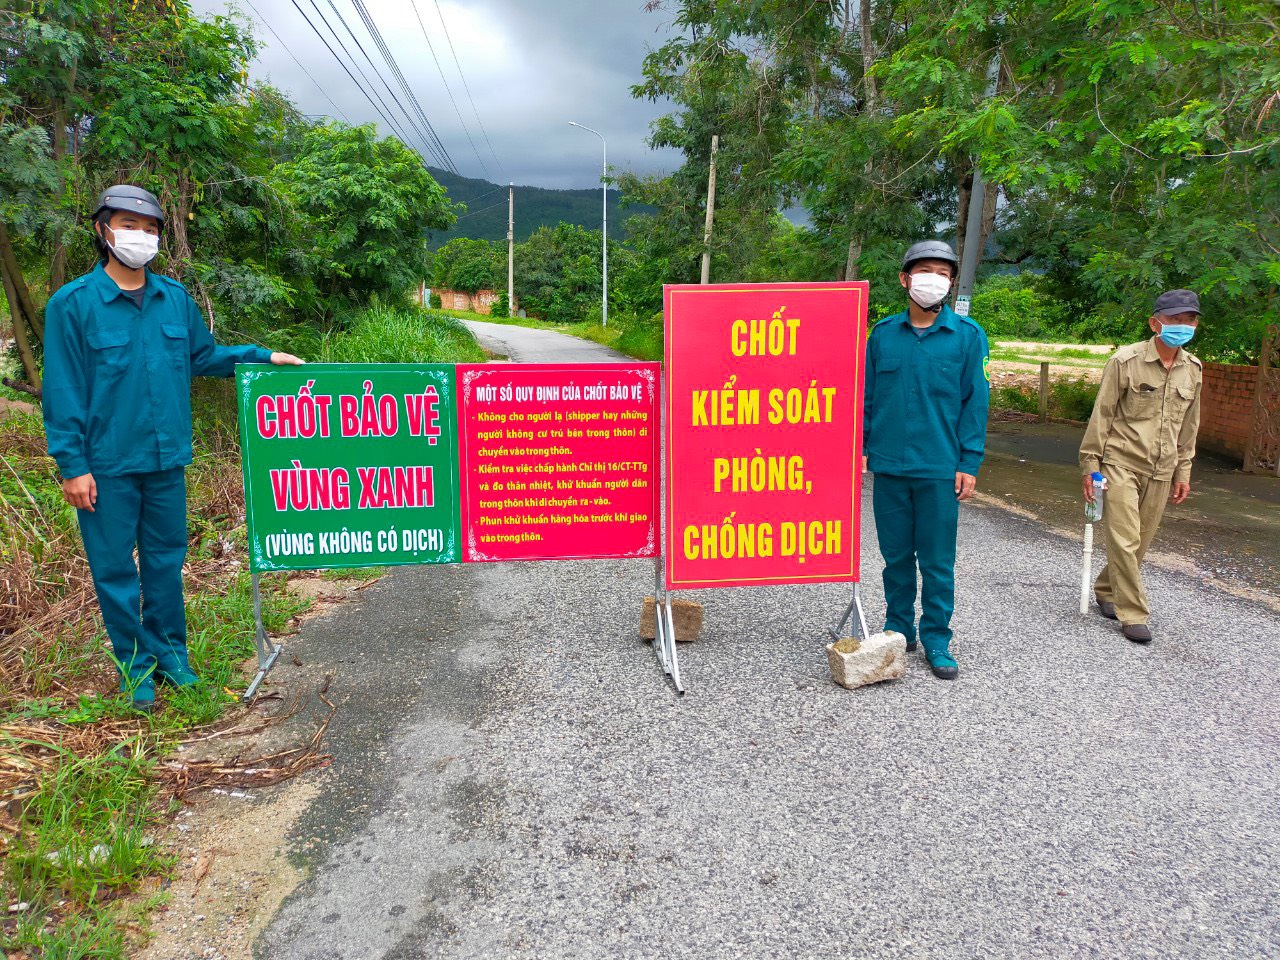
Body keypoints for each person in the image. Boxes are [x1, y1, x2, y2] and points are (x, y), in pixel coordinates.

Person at [42, 185, 303, 711]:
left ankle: (171, 656)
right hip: (106, 466)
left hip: (166, 461)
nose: (140, 236)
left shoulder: (173, 300)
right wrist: (73, 465)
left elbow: (204, 355)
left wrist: (261, 355)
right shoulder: (73, 304)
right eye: (128, 224)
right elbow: (63, 387)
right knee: (115, 569)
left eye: (151, 227)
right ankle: (134, 667)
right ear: (103, 229)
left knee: (164, 562)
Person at [863, 240, 990, 679]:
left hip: (939, 469)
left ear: (951, 284)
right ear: (905, 279)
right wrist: (862, 449)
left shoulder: (968, 338)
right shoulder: (882, 335)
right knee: (895, 557)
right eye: (924, 271)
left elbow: (975, 404)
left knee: (937, 560)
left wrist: (968, 463)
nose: (932, 280)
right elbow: (868, 399)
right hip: (890, 467)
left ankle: (936, 637)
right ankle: (898, 629)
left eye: (942, 272)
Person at [1079, 290, 1202, 643]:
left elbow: (1190, 425)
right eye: (1176, 319)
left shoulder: (1193, 369)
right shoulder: (1125, 360)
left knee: (1140, 543)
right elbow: (1101, 416)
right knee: (1125, 537)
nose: (1183, 326)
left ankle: (1105, 588)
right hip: (1121, 462)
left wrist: (1183, 471)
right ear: (1155, 322)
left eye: (1189, 320)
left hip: (1162, 469)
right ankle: (1132, 611)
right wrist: (1090, 465)